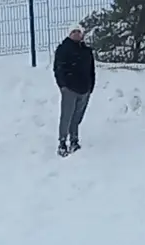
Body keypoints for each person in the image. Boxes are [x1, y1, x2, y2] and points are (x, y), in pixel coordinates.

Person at [53, 22, 95, 157]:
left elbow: (91, 70)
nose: (77, 34)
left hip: (85, 89)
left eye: (79, 32)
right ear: (69, 34)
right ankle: (62, 142)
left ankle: (74, 140)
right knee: (67, 115)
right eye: (74, 32)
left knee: (77, 117)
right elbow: (58, 68)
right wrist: (63, 85)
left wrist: (91, 85)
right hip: (69, 88)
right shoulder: (63, 49)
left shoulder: (86, 51)